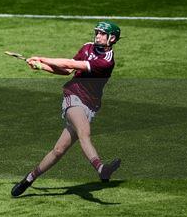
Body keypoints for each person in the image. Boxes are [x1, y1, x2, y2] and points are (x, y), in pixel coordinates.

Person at [12, 21, 122, 197]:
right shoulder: (87, 47)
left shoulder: (106, 62)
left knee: (58, 151)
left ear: (112, 38)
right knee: (84, 132)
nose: (98, 36)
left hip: (90, 105)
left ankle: (28, 179)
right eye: (97, 32)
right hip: (73, 96)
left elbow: (70, 63)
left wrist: (41, 59)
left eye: (102, 34)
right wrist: (42, 67)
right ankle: (101, 168)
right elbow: (67, 70)